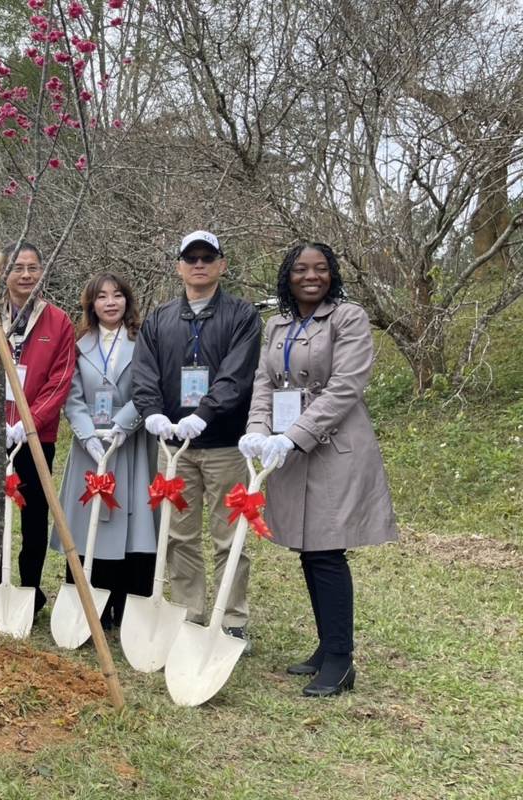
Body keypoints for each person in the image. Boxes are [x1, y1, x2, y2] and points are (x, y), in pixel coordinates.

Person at [239, 242, 397, 696]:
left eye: (321, 269)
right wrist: (257, 430)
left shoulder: (348, 318)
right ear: (287, 276)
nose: (312, 276)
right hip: (289, 450)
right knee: (309, 550)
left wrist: (294, 435)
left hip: (333, 448)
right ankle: (326, 648)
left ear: (332, 275)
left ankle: (342, 661)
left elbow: (347, 386)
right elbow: (265, 382)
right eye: (301, 269)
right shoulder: (277, 325)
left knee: (327, 550)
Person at [132, 230, 262, 652]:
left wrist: (204, 414)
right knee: (178, 535)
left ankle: (232, 619)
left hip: (224, 443)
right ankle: (189, 613)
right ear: (179, 267)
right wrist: (151, 411)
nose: (200, 264)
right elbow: (144, 369)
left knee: (230, 536)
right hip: (173, 448)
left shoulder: (242, 316)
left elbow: (236, 375)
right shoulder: (159, 318)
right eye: (192, 258)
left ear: (222, 265)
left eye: (209, 257)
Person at [0, 242, 76, 617]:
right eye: (17, 268)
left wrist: (27, 424)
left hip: (35, 437)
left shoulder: (58, 321)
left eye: (32, 268)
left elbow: (60, 379)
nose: (25, 275)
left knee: (33, 516)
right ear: (4, 274)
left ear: (41, 272)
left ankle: (29, 588)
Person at [51, 273, 157, 631]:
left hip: (129, 445)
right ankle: (89, 605)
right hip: (89, 447)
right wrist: (87, 435)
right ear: (91, 304)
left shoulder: (143, 342)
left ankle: (127, 609)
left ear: (127, 300)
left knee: (132, 524)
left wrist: (122, 426)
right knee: (88, 523)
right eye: (102, 297)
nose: (110, 302)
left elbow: (147, 389)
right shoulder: (78, 344)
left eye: (117, 296)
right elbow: (72, 394)